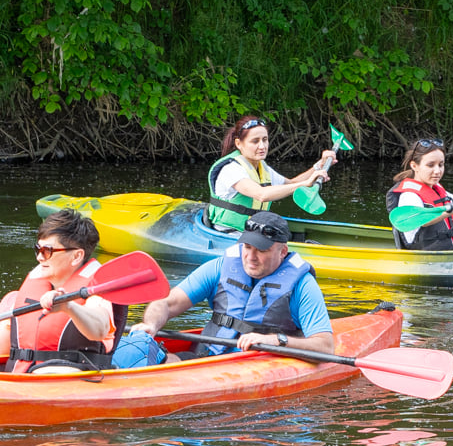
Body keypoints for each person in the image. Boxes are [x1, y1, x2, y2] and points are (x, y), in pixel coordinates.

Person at [131, 210, 334, 361]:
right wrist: (151, 324)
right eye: (247, 247)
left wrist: (277, 341)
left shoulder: (302, 285)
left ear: (282, 252)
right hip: (209, 355)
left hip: (261, 364)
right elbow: (167, 303)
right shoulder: (220, 267)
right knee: (156, 357)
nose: (251, 257)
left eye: (262, 250)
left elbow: (325, 347)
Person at [0, 209, 123, 373]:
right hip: (26, 378)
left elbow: (99, 329)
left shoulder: (96, 290)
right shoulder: (25, 293)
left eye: (48, 250)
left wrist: (68, 306)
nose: (40, 257)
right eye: (38, 249)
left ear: (76, 256)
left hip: (75, 378)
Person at [206, 115, 338, 232]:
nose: (262, 146)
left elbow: (292, 183)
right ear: (238, 143)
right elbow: (261, 194)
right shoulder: (231, 169)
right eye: (255, 141)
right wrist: (305, 183)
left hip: (253, 230)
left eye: (265, 139)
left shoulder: (262, 167)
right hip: (229, 232)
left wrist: (319, 165)